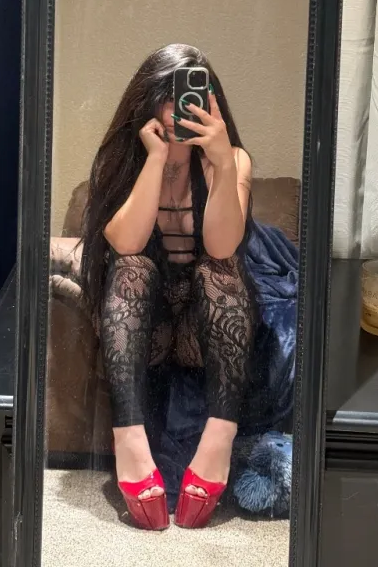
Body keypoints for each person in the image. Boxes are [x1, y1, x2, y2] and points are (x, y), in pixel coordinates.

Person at [79, 44, 257, 530]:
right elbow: (124, 243)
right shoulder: (123, 161)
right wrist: (155, 159)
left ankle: (218, 441)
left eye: (192, 95)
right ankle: (129, 440)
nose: (180, 109)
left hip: (208, 326)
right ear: (148, 101)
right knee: (132, 267)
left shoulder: (232, 159)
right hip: (145, 324)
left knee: (218, 272)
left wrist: (222, 165)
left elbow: (222, 247)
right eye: (168, 96)